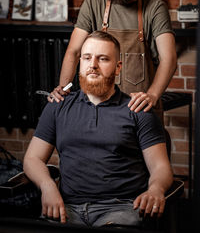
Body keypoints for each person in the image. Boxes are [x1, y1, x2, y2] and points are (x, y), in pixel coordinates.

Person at [24, 31, 173, 228]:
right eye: (87, 58)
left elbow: (161, 168)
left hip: (121, 210)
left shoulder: (138, 110)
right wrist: (48, 186)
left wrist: (156, 189)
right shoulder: (57, 106)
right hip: (66, 208)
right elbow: (32, 158)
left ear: (118, 67)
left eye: (102, 59)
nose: (92, 65)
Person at [49, 0, 177, 119]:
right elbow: (74, 51)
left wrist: (153, 95)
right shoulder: (93, 4)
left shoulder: (155, 8)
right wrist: (64, 89)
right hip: (99, 110)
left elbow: (169, 59)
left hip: (139, 110)